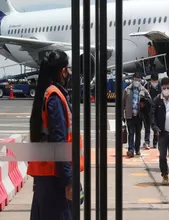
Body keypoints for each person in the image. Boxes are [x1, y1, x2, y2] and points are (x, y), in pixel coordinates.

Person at [28, 50, 84, 220]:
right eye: (68, 69)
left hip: (47, 175)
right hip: (55, 176)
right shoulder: (54, 97)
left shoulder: (46, 93)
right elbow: (59, 141)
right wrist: (69, 179)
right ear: (62, 71)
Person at [123, 72, 152, 157]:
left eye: (138, 80)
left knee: (138, 133)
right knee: (131, 133)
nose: (137, 81)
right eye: (135, 79)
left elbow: (149, 100)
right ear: (133, 79)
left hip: (139, 116)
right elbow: (122, 103)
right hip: (130, 115)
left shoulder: (143, 90)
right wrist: (122, 116)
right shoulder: (127, 90)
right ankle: (130, 150)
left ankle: (137, 149)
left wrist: (144, 103)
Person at [145, 73, 161, 148]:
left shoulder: (160, 86)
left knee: (155, 126)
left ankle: (155, 142)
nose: (154, 82)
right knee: (147, 126)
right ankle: (147, 142)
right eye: (153, 80)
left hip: (157, 109)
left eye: (156, 80)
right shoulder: (147, 85)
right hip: (148, 108)